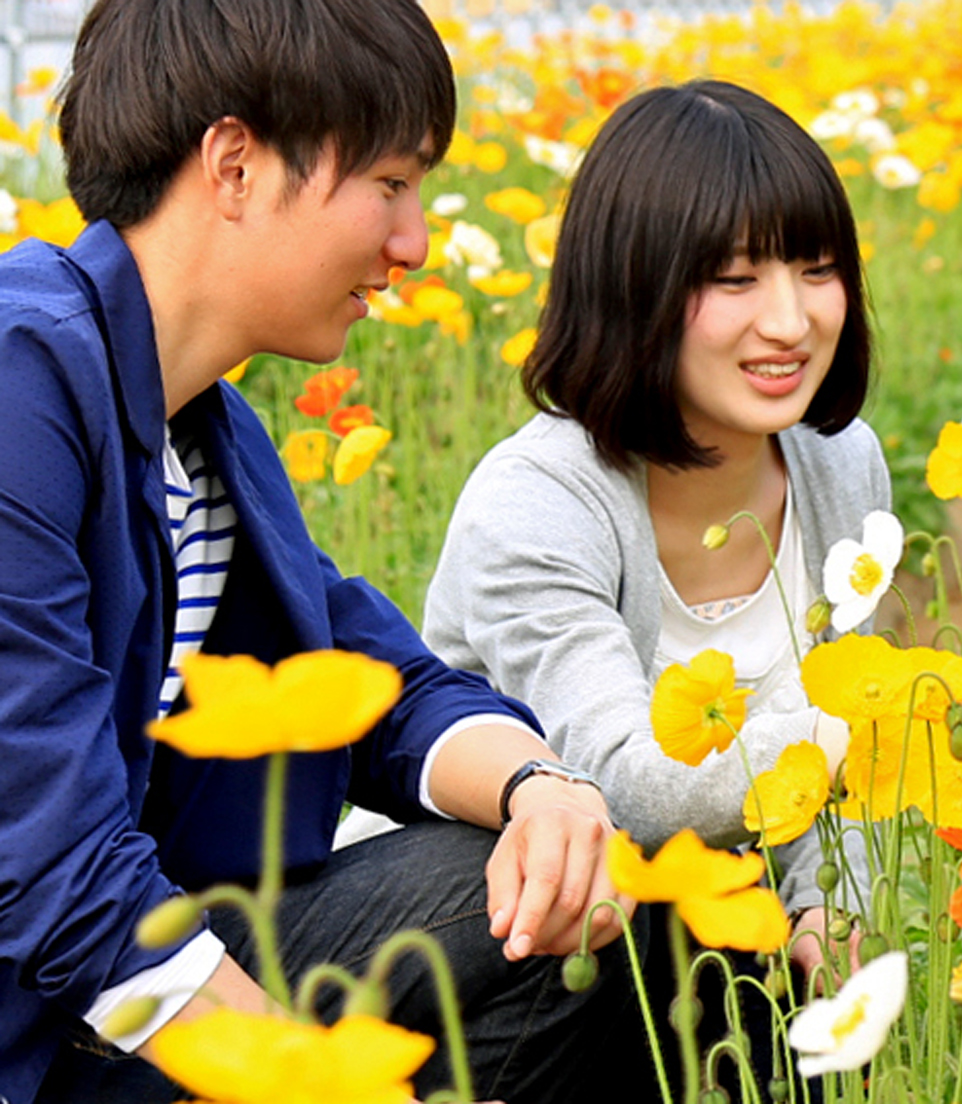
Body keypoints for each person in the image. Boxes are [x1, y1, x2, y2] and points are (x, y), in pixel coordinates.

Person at [421, 79, 962, 1084]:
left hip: (711, 925)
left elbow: (825, 753)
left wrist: (827, 908)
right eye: (735, 278)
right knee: (642, 898)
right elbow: (623, 785)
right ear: (632, 286)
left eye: (817, 269)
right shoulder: (537, 502)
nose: (792, 321)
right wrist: (905, 715)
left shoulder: (839, 466)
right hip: (512, 947)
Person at [0, 3, 636, 1102]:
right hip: (40, 1019)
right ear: (237, 167)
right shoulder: (24, 385)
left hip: (125, 983)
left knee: (558, 895)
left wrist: (546, 790)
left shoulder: (202, 430)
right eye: (390, 185)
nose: (416, 243)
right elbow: (46, 871)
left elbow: (376, 685)